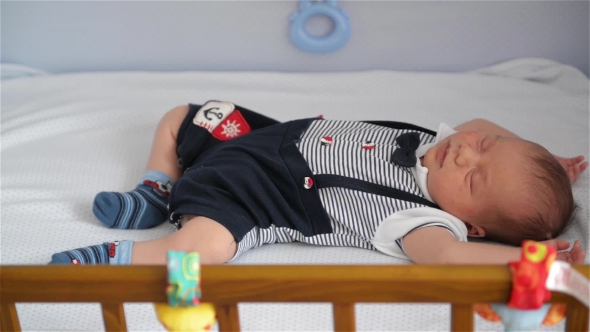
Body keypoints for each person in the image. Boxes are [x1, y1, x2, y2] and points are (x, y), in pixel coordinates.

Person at [50, 101, 588, 266]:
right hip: (258, 139)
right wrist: (544, 159)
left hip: (252, 199)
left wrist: (538, 259)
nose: (467, 150)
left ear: (472, 224)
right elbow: (487, 128)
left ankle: (109, 257)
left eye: (473, 178)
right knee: (184, 116)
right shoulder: (444, 144)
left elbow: (449, 258)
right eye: (484, 148)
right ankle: (154, 192)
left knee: (204, 248)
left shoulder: (424, 219)